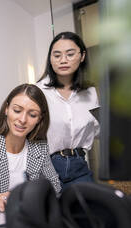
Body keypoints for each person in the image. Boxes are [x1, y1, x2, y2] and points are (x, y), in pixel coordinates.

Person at [36, 31, 99, 189]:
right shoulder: (38, 91)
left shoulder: (90, 92)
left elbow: (97, 129)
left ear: (82, 56)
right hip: (46, 165)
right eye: (56, 55)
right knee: (51, 212)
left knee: (91, 210)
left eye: (70, 54)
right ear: (50, 59)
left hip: (79, 165)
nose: (63, 60)